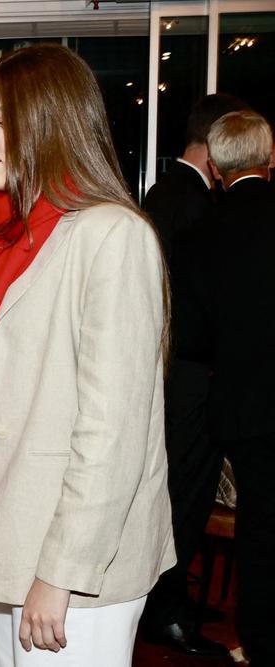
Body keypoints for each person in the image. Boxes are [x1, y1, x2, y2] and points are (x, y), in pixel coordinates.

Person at [0, 44, 175, 666]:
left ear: (51, 122)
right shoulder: (4, 237)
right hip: (11, 539)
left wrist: (61, 572)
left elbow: (112, 435)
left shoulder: (112, 235)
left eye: (0, 120)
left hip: (77, 567)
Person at [140, 93, 247, 657]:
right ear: (216, 144)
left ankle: (172, 598)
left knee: (183, 494)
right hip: (184, 380)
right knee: (180, 496)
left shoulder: (172, 194)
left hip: (176, 376)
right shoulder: (188, 201)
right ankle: (165, 609)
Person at [200, 110, 275, 665]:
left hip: (243, 411)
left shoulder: (199, 235)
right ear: (270, 158)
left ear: (218, 166)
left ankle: (258, 638)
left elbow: (195, 338)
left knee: (260, 529)